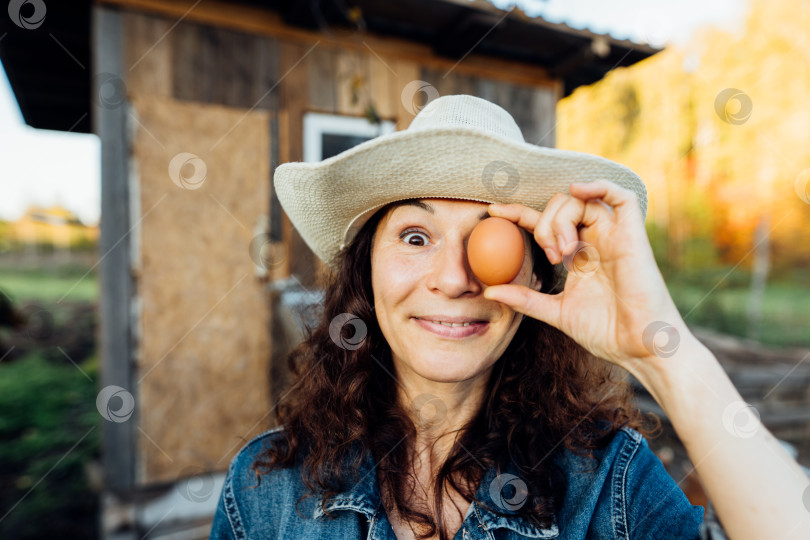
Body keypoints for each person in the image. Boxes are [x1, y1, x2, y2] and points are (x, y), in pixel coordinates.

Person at [210, 95, 810, 540]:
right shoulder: (264, 492)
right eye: (416, 236)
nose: (455, 279)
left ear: (535, 277)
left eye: (491, 240)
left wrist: (658, 351)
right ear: (366, 271)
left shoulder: (608, 487)